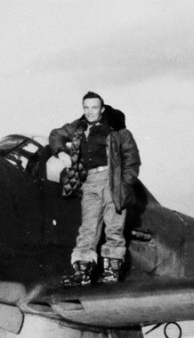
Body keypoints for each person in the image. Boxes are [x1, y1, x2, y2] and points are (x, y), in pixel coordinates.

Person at [49, 91, 140, 286]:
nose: (90, 112)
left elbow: (132, 159)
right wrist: (61, 152)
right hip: (89, 181)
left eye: (94, 107)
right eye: (86, 108)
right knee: (87, 229)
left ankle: (111, 272)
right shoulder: (78, 127)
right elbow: (56, 134)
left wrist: (124, 183)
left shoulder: (117, 130)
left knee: (114, 227)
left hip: (112, 180)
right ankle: (82, 273)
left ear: (102, 109)